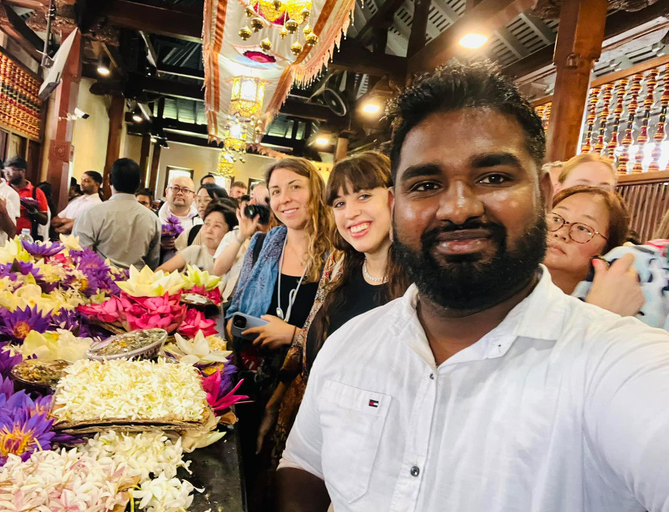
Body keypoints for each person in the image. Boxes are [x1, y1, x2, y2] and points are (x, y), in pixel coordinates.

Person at [277, 61, 669, 512]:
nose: (458, 208)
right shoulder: (351, 342)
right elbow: (305, 462)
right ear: (397, 204)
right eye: (426, 184)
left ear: (543, 194)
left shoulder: (615, 366)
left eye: (494, 178)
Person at [259, 151, 411, 470]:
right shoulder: (337, 267)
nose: (350, 213)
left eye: (364, 195)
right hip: (310, 440)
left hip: (373, 460)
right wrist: (274, 405)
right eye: (339, 203)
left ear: (394, 198)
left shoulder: (421, 290)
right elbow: (308, 343)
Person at [226, 157, 332, 512]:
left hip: (304, 394)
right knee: (244, 480)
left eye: (295, 187)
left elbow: (344, 335)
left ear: (315, 191)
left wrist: (291, 334)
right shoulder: (260, 246)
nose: (284, 198)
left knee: (285, 489)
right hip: (251, 384)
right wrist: (254, 327)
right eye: (275, 191)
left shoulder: (341, 253)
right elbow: (232, 315)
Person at [543, 186, 643, 317]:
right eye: (556, 219)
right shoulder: (510, 285)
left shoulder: (618, 304)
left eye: (582, 228)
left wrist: (603, 314)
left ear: (607, 249)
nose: (561, 233)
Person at [74, 158, 161, 270]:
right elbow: (152, 261)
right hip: (135, 285)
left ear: (109, 179)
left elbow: (81, 255)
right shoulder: (152, 218)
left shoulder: (92, 213)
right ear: (139, 183)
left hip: (100, 282)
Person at [158, 199, 238, 275]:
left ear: (230, 231)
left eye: (217, 226)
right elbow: (160, 271)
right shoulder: (195, 251)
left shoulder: (236, 260)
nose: (209, 230)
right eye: (207, 223)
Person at [4, 155, 48, 240]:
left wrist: (32, 210)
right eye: (5, 170)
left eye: (11, 170)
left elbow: (44, 220)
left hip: (26, 238)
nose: (7, 174)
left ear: (22, 171)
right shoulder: (3, 190)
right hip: (5, 237)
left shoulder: (36, 192)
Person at [52, 171, 103, 235]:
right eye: (82, 180)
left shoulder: (97, 204)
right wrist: (70, 221)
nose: (82, 183)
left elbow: (84, 227)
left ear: (97, 184)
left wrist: (70, 223)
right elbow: (55, 221)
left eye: (86, 181)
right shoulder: (76, 201)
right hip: (64, 241)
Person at [180, 184, 231, 248]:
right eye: (199, 200)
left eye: (207, 200)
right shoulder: (192, 232)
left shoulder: (234, 235)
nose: (201, 205)